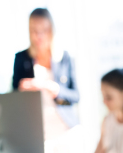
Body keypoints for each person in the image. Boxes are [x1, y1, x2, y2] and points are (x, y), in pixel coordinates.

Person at [12, 8, 79, 141]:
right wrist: (24, 88)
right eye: (34, 31)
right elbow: (14, 96)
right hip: (37, 129)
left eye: (44, 30)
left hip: (65, 127)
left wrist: (54, 89)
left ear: (51, 30)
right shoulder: (21, 58)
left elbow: (75, 96)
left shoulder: (64, 57)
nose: (39, 35)